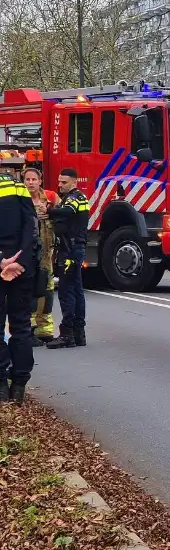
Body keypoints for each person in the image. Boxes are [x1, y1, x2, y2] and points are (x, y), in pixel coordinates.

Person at [0, 166, 38, 403]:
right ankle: (19, 386)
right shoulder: (16, 185)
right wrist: (21, 261)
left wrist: (2, 261)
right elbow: (31, 225)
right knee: (22, 327)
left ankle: (1, 386)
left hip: (3, 264)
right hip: (22, 270)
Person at [45, 168, 89, 349]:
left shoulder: (74, 198)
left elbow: (67, 212)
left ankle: (67, 334)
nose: (60, 185)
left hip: (70, 249)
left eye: (64, 182)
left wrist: (48, 210)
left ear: (74, 182)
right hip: (75, 247)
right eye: (59, 181)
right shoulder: (80, 197)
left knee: (66, 291)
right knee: (77, 290)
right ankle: (79, 333)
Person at [23, 168, 59, 346]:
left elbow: (62, 218)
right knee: (30, 290)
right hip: (27, 254)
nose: (30, 182)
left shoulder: (51, 198)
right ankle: (28, 329)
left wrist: (50, 212)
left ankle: (44, 329)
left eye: (33, 179)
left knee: (47, 289)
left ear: (40, 181)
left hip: (46, 253)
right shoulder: (20, 199)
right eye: (27, 179)